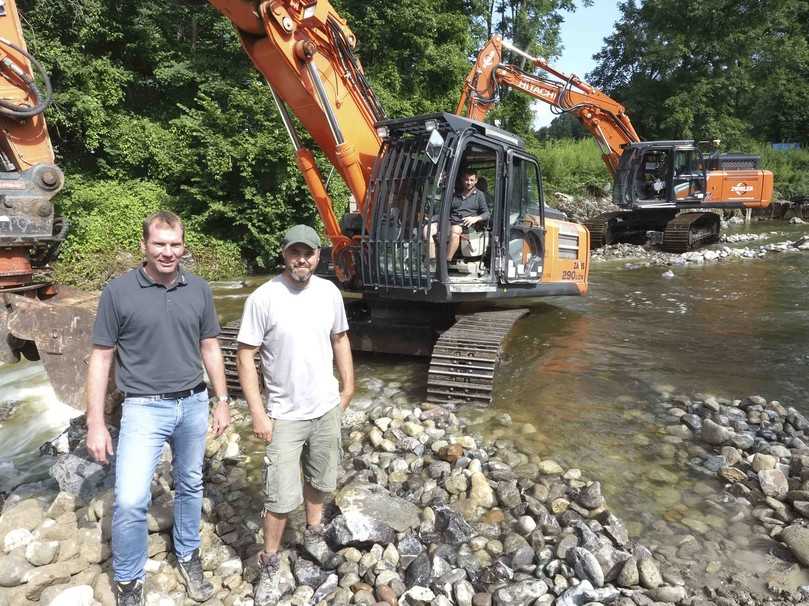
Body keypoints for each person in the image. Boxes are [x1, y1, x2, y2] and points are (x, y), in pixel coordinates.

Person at [85, 211, 231, 606]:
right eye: (160, 244)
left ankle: (187, 554)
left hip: (194, 402)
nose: (168, 252)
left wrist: (221, 400)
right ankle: (129, 581)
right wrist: (96, 422)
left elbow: (210, 346)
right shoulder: (118, 292)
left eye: (175, 244)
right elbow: (101, 358)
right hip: (143, 409)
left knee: (190, 484)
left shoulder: (199, 289)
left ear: (184, 246)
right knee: (131, 499)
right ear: (144, 246)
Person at [236, 224, 354, 606]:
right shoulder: (264, 298)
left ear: (319, 256)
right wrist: (257, 412)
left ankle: (314, 532)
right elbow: (245, 356)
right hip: (284, 415)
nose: (301, 260)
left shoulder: (329, 292)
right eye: (294, 253)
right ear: (284, 254)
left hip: (325, 407)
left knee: (320, 478)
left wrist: (348, 388)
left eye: (308, 253)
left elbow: (340, 338)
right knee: (280, 497)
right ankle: (270, 559)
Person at [424, 168, 490, 263]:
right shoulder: (456, 194)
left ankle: (446, 261)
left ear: (476, 181)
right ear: (462, 180)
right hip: (450, 221)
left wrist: (475, 218)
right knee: (427, 229)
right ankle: (432, 262)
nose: (469, 182)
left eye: (471, 180)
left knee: (455, 230)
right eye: (466, 180)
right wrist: (435, 218)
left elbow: (487, 214)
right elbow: (447, 210)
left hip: (466, 225)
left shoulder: (479, 195)